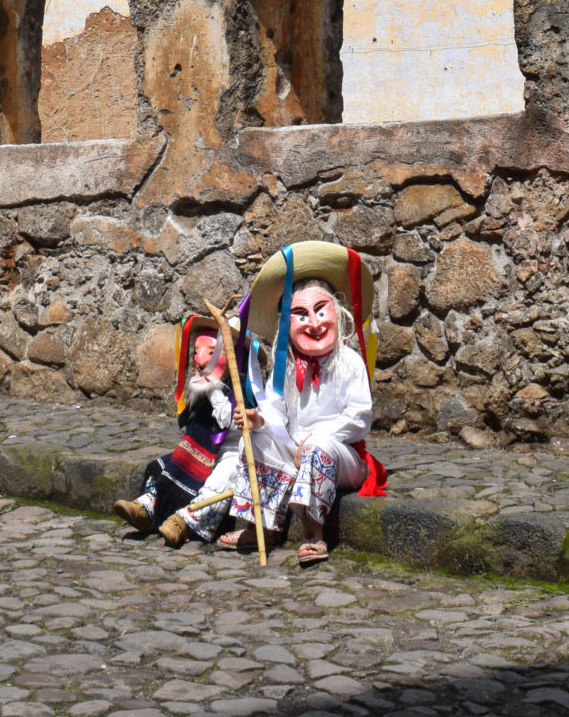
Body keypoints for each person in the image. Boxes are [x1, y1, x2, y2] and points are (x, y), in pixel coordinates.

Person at [207, 243, 383, 567]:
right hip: (297, 452)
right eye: (300, 315)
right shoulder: (286, 367)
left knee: (317, 447)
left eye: (320, 310)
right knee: (256, 439)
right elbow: (278, 411)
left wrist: (316, 440)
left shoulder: (350, 362)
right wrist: (259, 420)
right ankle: (263, 526)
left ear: (337, 311)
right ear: (287, 324)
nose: (313, 323)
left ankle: (314, 533)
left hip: (341, 458)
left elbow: (359, 417)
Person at [115, 316, 235, 538]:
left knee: (221, 481)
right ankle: (146, 508)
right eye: (196, 351)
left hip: (230, 451)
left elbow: (229, 421)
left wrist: (213, 391)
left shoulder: (240, 386)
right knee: (167, 466)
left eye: (211, 353)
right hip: (199, 450)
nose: (200, 360)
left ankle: (185, 522)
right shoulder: (201, 388)